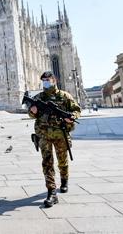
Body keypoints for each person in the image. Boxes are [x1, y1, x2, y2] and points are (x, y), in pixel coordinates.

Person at [28, 71, 81, 208]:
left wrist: (72, 116)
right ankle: (51, 191)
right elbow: (32, 114)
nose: (46, 81)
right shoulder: (39, 97)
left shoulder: (64, 96)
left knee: (62, 161)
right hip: (44, 135)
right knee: (47, 163)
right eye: (44, 79)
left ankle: (64, 180)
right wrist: (32, 111)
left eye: (48, 79)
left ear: (54, 80)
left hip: (60, 135)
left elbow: (76, 110)